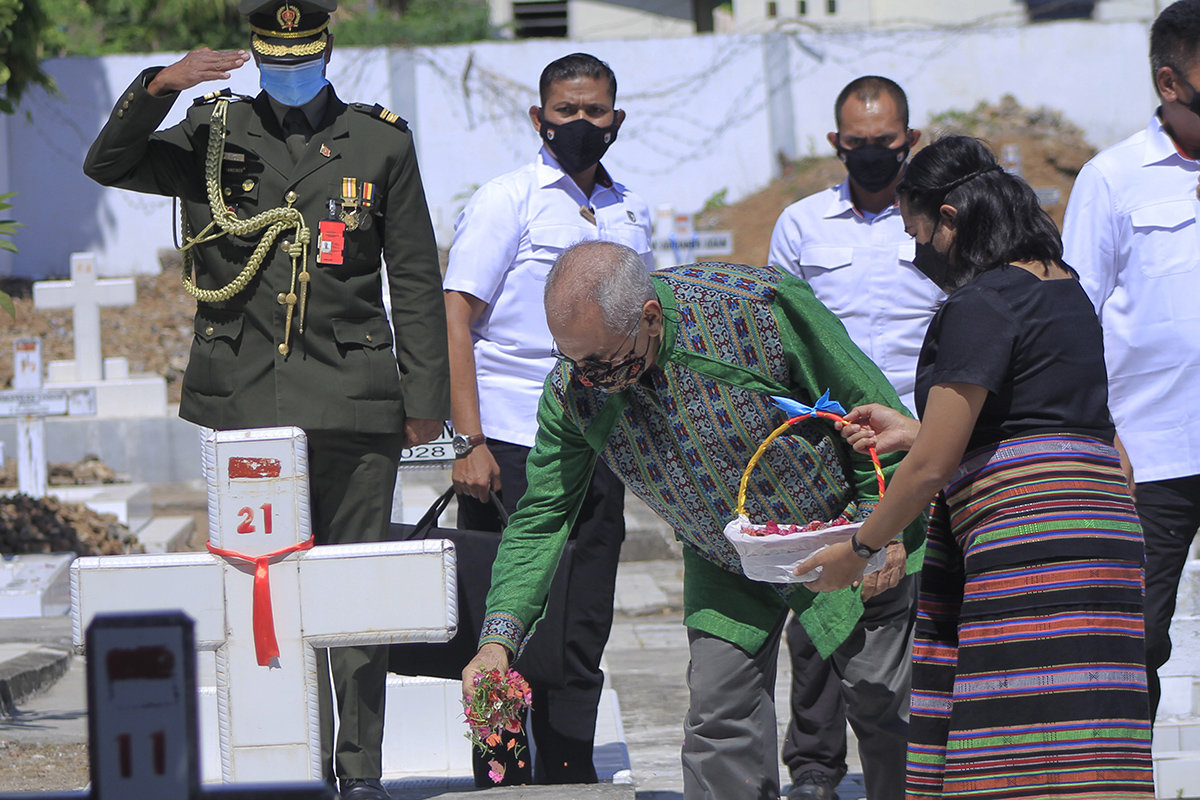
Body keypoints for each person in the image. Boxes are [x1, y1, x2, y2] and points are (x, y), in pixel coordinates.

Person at [82, 3, 450, 798]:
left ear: (325, 53)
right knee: (262, 590)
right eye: (274, 59)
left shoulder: (379, 140)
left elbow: (414, 277)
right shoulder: (211, 131)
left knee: (355, 597)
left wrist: (426, 400)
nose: (290, 71)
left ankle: (359, 770)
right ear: (254, 57)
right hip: (244, 396)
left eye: (303, 57)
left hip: (355, 399)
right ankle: (285, 757)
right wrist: (160, 86)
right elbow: (107, 165)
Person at [461, 239, 925, 800]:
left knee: (885, 699)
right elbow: (541, 517)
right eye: (571, 359)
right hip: (724, 558)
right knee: (719, 716)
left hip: (840, 533)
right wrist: (497, 642)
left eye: (600, 362)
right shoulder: (574, 392)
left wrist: (882, 529)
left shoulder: (757, 307)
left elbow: (873, 408)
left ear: (650, 318)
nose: (587, 379)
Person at [799, 136, 1154, 799]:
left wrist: (859, 547)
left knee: (1021, 740)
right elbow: (1045, 412)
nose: (918, 253)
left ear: (952, 219)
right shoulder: (1063, 287)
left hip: (1031, 543)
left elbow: (934, 467)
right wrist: (911, 429)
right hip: (1103, 528)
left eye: (917, 233)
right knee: (1090, 738)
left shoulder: (981, 301)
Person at [442, 52, 653, 786]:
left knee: (583, 614)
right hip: (510, 440)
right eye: (566, 112)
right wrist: (467, 440)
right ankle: (499, 769)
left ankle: (568, 767)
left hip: (602, 440)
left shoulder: (631, 209)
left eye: (595, 112)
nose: (581, 124)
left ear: (616, 120)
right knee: (501, 612)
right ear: (540, 118)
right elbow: (457, 316)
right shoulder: (509, 199)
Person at [767, 75, 936, 800]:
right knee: (821, 595)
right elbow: (777, 335)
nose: (872, 156)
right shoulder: (802, 225)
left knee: (917, 603)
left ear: (912, 141)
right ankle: (813, 766)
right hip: (827, 447)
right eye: (857, 145)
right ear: (836, 143)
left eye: (886, 144)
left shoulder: (935, 222)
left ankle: (910, 766)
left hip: (925, 442)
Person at [1062, 0, 1200, 724]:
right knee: (1135, 637)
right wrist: (1096, 429)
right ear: (1171, 83)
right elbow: (1071, 317)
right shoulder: (1113, 177)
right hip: (1152, 453)